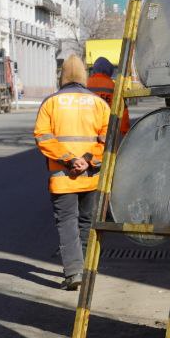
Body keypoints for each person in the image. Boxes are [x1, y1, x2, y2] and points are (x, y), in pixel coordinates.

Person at [34, 56, 110, 290]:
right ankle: (87, 270)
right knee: (88, 222)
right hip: (91, 177)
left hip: (63, 178)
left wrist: (70, 160)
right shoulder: (98, 103)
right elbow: (109, 138)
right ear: (84, 76)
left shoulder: (51, 103)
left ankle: (74, 273)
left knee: (67, 223)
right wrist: (88, 160)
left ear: (62, 76)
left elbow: (42, 136)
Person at [86, 57, 130, 137]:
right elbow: (123, 111)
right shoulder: (113, 86)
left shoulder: (85, 84)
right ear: (109, 70)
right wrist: (125, 132)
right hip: (106, 131)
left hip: (87, 129)